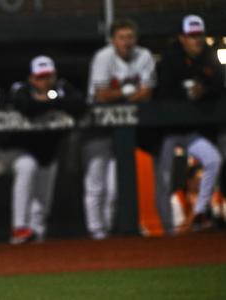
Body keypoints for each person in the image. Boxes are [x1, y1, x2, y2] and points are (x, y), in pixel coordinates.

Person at [85, 19, 156, 239]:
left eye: (130, 37)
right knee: (96, 184)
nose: (127, 42)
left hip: (124, 129)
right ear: (113, 39)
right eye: (122, 37)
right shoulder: (103, 57)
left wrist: (122, 94)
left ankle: (107, 233)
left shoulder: (143, 55)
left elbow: (148, 93)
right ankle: (96, 232)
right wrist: (129, 93)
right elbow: (100, 95)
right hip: (96, 126)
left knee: (115, 188)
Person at [156, 15, 223, 232]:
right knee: (164, 179)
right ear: (182, 38)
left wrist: (204, 90)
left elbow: (219, 85)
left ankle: (199, 212)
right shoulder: (170, 58)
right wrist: (185, 93)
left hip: (191, 129)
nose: (197, 40)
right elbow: (162, 91)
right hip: (166, 129)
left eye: (199, 35)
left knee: (213, 159)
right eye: (191, 36)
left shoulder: (209, 56)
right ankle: (168, 230)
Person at [8, 55, 83, 244]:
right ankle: (19, 228)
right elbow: (27, 106)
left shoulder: (62, 88)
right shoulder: (22, 89)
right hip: (15, 151)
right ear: (32, 78)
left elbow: (80, 104)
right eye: (40, 77)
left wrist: (48, 102)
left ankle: (36, 237)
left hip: (47, 152)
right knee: (27, 167)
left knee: (43, 197)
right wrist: (54, 104)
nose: (45, 81)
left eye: (49, 76)